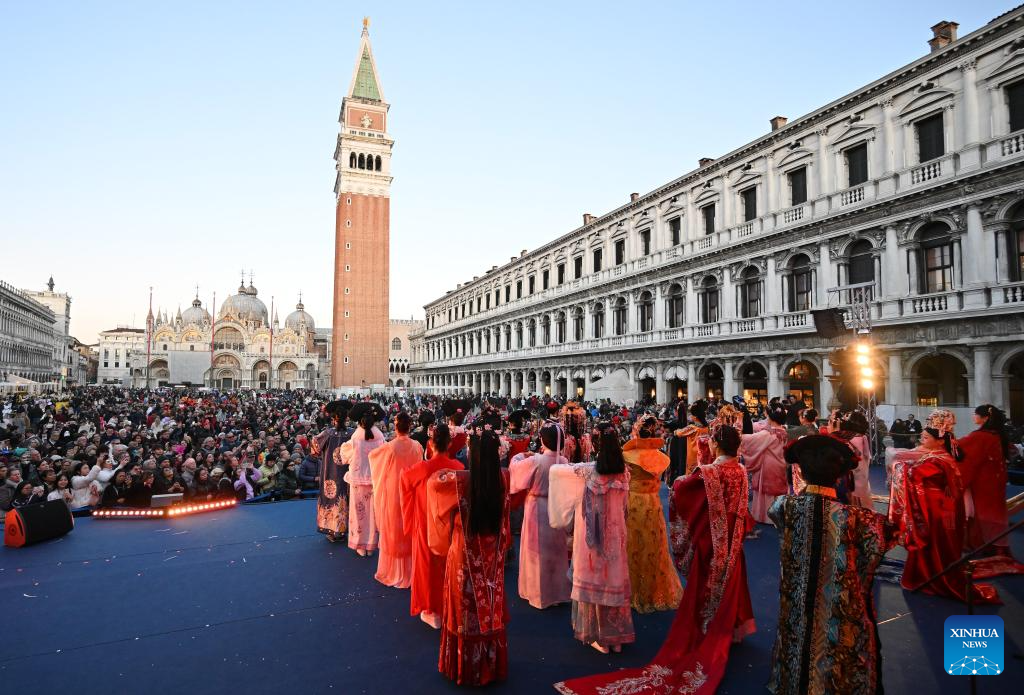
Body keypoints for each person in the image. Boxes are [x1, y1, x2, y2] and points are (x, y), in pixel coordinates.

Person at [554, 423, 752, 694]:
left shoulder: (705, 471)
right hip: (713, 529)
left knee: (634, 556)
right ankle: (729, 625)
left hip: (640, 513)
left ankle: (702, 624)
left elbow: (683, 487)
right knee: (655, 553)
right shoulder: (738, 469)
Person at [768, 435, 898, 695]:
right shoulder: (861, 519)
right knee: (838, 645)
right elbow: (875, 551)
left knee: (796, 639)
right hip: (839, 603)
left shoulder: (783, 506)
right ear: (839, 477)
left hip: (796, 597)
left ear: (801, 472)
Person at [888, 409, 1000, 604]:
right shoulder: (939, 456)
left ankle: (932, 578)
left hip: (936, 510)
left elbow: (915, 475)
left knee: (934, 544)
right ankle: (927, 575)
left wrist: (899, 466)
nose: (922, 438)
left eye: (926, 436)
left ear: (940, 440)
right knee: (934, 544)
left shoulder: (939, 459)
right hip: (935, 507)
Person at [427, 429, 511, 686]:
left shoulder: (459, 481)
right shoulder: (503, 477)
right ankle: (491, 663)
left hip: (464, 553)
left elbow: (433, 483)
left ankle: (466, 665)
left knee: (464, 608)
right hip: (493, 555)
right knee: (490, 605)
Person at [548, 425, 633, 654]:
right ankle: (615, 636)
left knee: (594, 581)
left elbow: (556, 472)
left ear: (594, 447)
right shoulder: (624, 472)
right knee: (613, 580)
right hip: (616, 535)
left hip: (592, 538)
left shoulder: (587, 471)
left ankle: (597, 635)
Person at [401, 423, 464, 629]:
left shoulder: (422, 468)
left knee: (427, 567)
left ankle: (431, 610)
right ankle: (449, 604)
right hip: (449, 527)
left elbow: (404, 482)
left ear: (430, 443)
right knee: (448, 565)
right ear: (450, 443)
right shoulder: (458, 467)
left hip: (426, 522)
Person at [622, 414, 682, 613]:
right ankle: (653, 588)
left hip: (633, 501)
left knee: (633, 543)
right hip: (653, 501)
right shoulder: (660, 457)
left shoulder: (629, 456)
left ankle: (634, 588)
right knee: (653, 542)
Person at [509, 421, 571, 609]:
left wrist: (520, 455)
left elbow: (516, 471)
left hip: (537, 506)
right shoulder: (564, 461)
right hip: (556, 506)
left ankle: (538, 593)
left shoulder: (536, 460)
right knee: (556, 550)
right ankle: (558, 591)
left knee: (536, 550)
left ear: (543, 440)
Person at [958, 404, 1024, 575]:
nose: (974, 417)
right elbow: (1013, 452)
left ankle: (990, 547)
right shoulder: (998, 435)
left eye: (976, 414)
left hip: (983, 483)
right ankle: (998, 546)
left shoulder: (980, 437)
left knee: (984, 513)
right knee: (996, 512)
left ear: (985, 418)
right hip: (997, 482)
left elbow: (960, 451)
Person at [368, 411, 423, 587]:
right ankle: (411, 570)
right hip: (413, 492)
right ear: (410, 427)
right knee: (409, 529)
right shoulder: (417, 446)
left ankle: (395, 571)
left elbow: (373, 458)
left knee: (394, 529)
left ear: (396, 427)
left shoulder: (389, 447)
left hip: (394, 492)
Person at [340, 409, 385, 556]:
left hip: (358, 479)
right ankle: (371, 545)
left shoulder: (356, 436)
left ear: (359, 421)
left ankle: (360, 545)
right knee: (372, 512)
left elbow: (345, 455)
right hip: (374, 478)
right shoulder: (379, 435)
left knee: (358, 511)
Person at [740, 402, 789, 523]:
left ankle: (766, 517)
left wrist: (738, 432)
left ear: (770, 416)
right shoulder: (783, 431)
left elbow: (747, 440)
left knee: (767, 491)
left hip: (768, 465)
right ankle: (778, 514)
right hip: (780, 464)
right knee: (777, 491)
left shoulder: (767, 434)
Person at [311, 401, 352, 542]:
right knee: (347, 497)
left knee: (332, 497)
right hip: (348, 472)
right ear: (347, 418)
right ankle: (349, 529)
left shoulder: (327, 433)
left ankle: (333, 530)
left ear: (333, 418)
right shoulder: (352, 433)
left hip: (331, 472)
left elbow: (314, 449)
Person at [675, 400, 709, 475]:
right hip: (704, 453)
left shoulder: (693, 428)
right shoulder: (707, 427)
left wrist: (676, 430)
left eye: (691, 414)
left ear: (695, 416)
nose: (690, 416)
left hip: (693, 455)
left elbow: (678, 433)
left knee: (692, 475)